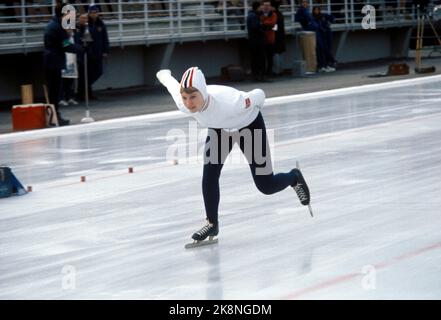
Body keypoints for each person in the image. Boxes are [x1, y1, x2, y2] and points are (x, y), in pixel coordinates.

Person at [156, 67, 311, 243]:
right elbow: (172, 85)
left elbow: (259, 94)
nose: (189, 103)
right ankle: (212, 223)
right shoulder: (183, 103)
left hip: (248, 125)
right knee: (209, 176)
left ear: (204, 93)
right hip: (220, 129)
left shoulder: (231, 103)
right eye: (185, 98)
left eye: (193, 97)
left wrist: (251, 112)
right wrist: (164, 74)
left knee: (266, 185)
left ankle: (294, 178)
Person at [43, 0, 83, 126]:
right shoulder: (57, 27)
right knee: (54, 90)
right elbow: (65, 45)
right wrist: (80, 49)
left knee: (54, 90)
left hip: (52, 59)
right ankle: (54, 116)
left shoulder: (55, 24)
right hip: (53, 60)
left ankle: (54, 115)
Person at [77, 4, 109, 101]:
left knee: (97, 72)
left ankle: (85, 90)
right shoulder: (86, 23)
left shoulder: (101, 24)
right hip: (88, 53)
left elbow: (105, 38)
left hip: (98, 52)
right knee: (86, 74)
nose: (94, 14)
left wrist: (106, 50)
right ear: (89, 13)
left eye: (95, 12)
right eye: (92, 12)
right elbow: (80, 36)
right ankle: (84, 94)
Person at [312, 7, 336, 71]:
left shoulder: (323, 15)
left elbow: (332, 18)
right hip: (320, 35)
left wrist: (330, 22)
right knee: (321, 50)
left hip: (327, 33)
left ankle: (329, 63)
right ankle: (325, 64)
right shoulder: (313, 18)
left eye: (317, 10)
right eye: (315, 10)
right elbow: (316, 26)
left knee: (328, 49)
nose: (316, 11)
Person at [246, 1, 265, 81]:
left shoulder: (251, 15)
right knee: (259, 58)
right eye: (260, 7)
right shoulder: (254, 16)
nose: (262, 8)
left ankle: (256, 75)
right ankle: (259, 76)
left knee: (254, 58)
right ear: (257, 7)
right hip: (257, 41)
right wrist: (262, 30)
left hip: (253, 40)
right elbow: (255, 27)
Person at [260, 1, 277, 77]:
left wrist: (264, 22)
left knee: (270, 57)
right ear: (262, 6)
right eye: (265, 5)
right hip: (262, 39)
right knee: (262, 57)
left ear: (270, 7)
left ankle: (269, 72)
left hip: (270, 39)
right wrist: (266, 22)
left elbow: (273, 23)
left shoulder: (273, 14)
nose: (266, 7)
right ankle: (263, 72)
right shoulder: (260, 14)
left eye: (268, 5)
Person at [271, 0, 286, 75]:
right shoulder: (280, 14)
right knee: (280, 53)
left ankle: (276, 70)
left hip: (276, 36)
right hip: (281, 35)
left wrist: (272, 30)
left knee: (275, 53)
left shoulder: (274, 14)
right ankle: (281, 69)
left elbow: (275, 26)